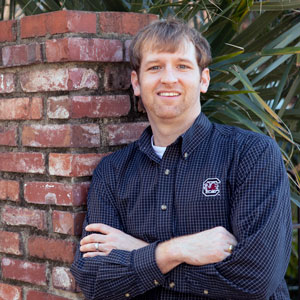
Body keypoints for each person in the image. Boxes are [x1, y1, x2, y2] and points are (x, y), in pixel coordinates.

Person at [71, 18, 292, 300]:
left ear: (204, 79)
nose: (169, 78)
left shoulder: (252, 154)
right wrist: (175, 251)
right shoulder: (113, 172)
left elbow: (255, 279)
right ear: (136, 83)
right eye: (155, 67)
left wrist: (138, 252)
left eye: (182, 66)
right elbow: (94, 280)